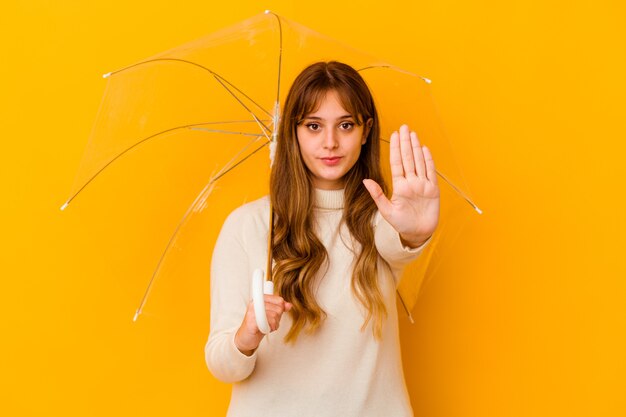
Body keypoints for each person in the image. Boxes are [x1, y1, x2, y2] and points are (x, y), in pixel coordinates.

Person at [205, 61, 440, 417]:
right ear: (292, 132)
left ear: (366, 131)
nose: (330, 142)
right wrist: (247, 335)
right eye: (313, 126)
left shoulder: (384, 222)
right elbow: (222, 365)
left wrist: (413, 233)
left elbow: (399, 247)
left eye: (345, 125)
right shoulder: (246, 226)